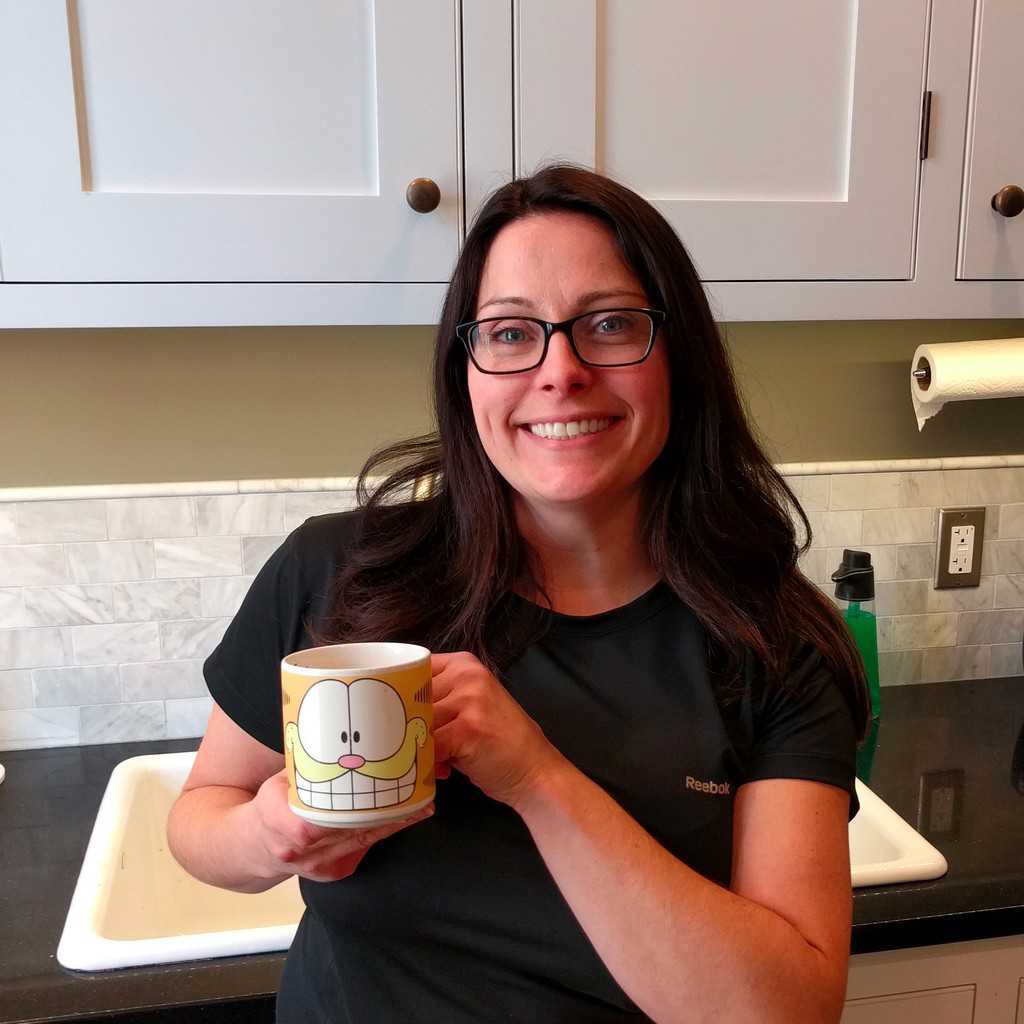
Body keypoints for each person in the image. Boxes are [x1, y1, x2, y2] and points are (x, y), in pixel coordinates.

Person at [167, 164, 868, 1023]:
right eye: (510, 333)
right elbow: (200, 817)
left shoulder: (774, 647)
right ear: (467, 371)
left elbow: (787, 1011)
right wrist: (271, 836)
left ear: (676, 355)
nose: (560, 370)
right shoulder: (340, 571)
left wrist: (538, 777)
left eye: (609, 325)